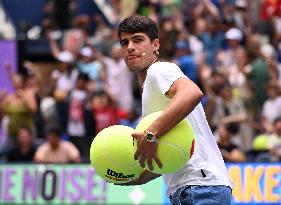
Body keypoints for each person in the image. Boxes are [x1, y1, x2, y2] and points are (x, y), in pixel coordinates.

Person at [117, 15, 232, 205]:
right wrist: (135, 178)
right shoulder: (152, 89)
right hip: (190, 189)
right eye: (124, 42)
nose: (130, 47)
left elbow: (193, 93)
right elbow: (168, 157)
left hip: (200, 188)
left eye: (137, 40)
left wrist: (149, 135)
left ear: (155, 45)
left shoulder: (159, 70)